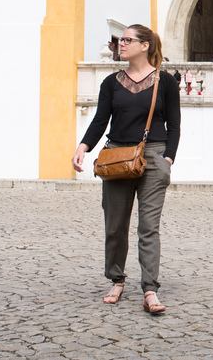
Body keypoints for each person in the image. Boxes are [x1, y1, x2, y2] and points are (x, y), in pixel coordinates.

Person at [72, 24, 180, 315]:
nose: (121, 44)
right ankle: (117, 279)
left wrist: (168, 159)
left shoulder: (165, 81)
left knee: (149, 228)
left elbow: (174, 124)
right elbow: (100, 120)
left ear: (145, 45)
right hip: (117, 156)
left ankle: (150, 289)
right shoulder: (111, 82)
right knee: (115, 225)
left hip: (154, 156)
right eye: (119, 40)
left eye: (128, 40)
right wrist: (84, 147)